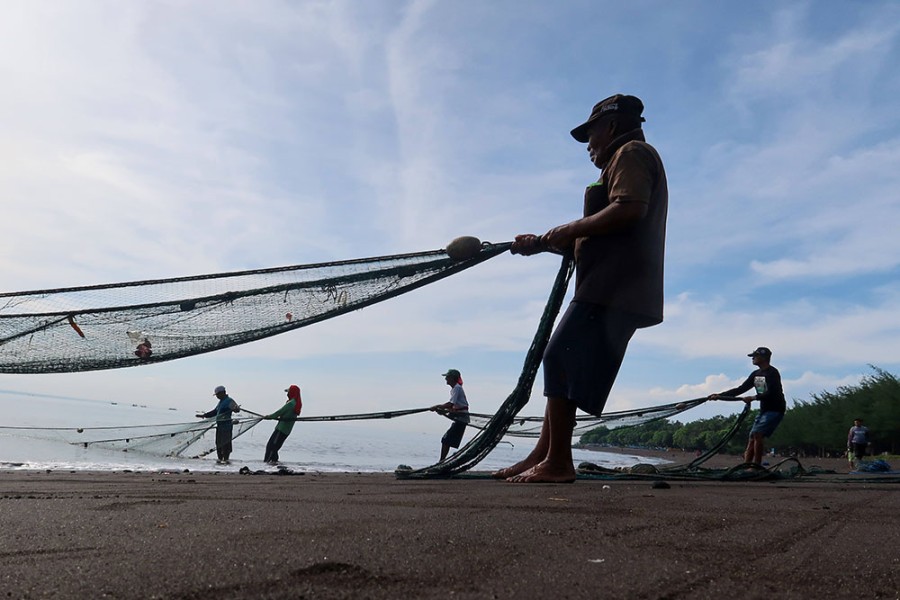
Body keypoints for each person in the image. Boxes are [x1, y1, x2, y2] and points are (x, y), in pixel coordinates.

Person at [495, 94, 668, 483]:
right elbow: (600, 230)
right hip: (607, 283)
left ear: (609, 127)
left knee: (559, 358)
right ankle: (544, 453)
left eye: (590, 135)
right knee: (565, 365)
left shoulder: (632, 152)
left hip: (614, 285)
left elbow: (629, 208)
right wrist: (541, 242)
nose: (588, 146)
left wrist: (570, 228)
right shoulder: (622, 159)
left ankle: (558, 463)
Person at [708, 347, 786, 466]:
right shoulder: (756, 374)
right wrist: (719, 396)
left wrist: (753, 398)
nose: (753, 358)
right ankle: (746, 465)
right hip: (764, 409)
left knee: (757, 434)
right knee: (752, 436)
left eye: (755, 356)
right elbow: (740, 389)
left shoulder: (772, 373)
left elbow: (771, 393)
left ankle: (756, 466)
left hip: (775, 409)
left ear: (764, 357)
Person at [430, 369, 470, 462]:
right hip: (459, 417)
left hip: (461, 418)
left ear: (452, 378)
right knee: (446, 440)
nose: (446, 379)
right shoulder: (455, 389)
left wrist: (437, 406)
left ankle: (441, 462)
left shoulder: (457, 388)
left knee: (445, 440)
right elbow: (453, 407)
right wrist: (442, 410)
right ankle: (442, 461)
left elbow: (451, 404)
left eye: (447, 377)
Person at [197, 385, 241, 464]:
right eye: (216, 395)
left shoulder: (229, 401)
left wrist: (236, 408)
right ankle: (220, 461)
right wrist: (204, 415)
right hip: (220, 427)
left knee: (225, 445)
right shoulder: (221, 402)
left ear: (223, 393)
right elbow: (215, 412)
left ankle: (226, 461)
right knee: (218, 444)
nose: (217, 396)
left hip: (227, 427)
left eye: (218, 394)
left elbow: (237, 410)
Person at [264, 384, 302, 465]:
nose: (287, 394)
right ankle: (274, 464)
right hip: (286, 430)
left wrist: (268, 417)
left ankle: (267, 463)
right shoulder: (296, 403)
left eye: (288, 392)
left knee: (271, 447)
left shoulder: (291, 404)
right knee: (274, 447)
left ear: (292, 393)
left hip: (281, 429)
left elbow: (279, 412)